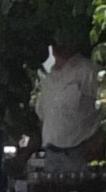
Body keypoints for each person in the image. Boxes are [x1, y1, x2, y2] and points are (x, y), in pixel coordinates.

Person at [33, 39, 101, 167]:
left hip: (81, 154)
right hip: (52, 154)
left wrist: (100, 138)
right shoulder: (48, 78)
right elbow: (42, 115)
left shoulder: (87, 71)